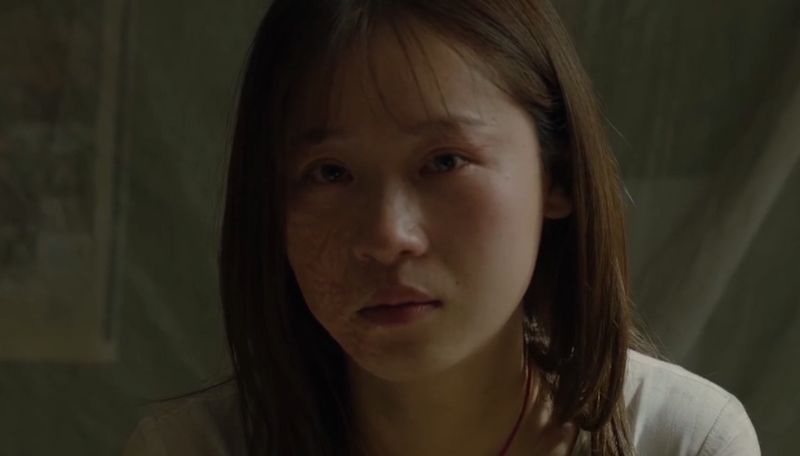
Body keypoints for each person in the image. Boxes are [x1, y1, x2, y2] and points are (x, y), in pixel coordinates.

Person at [122, 0, 761, 455]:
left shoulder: (682, 441)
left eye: (445, 162)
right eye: (330, 173)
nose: (386, 236)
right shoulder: (189, 448)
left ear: (558, 175)